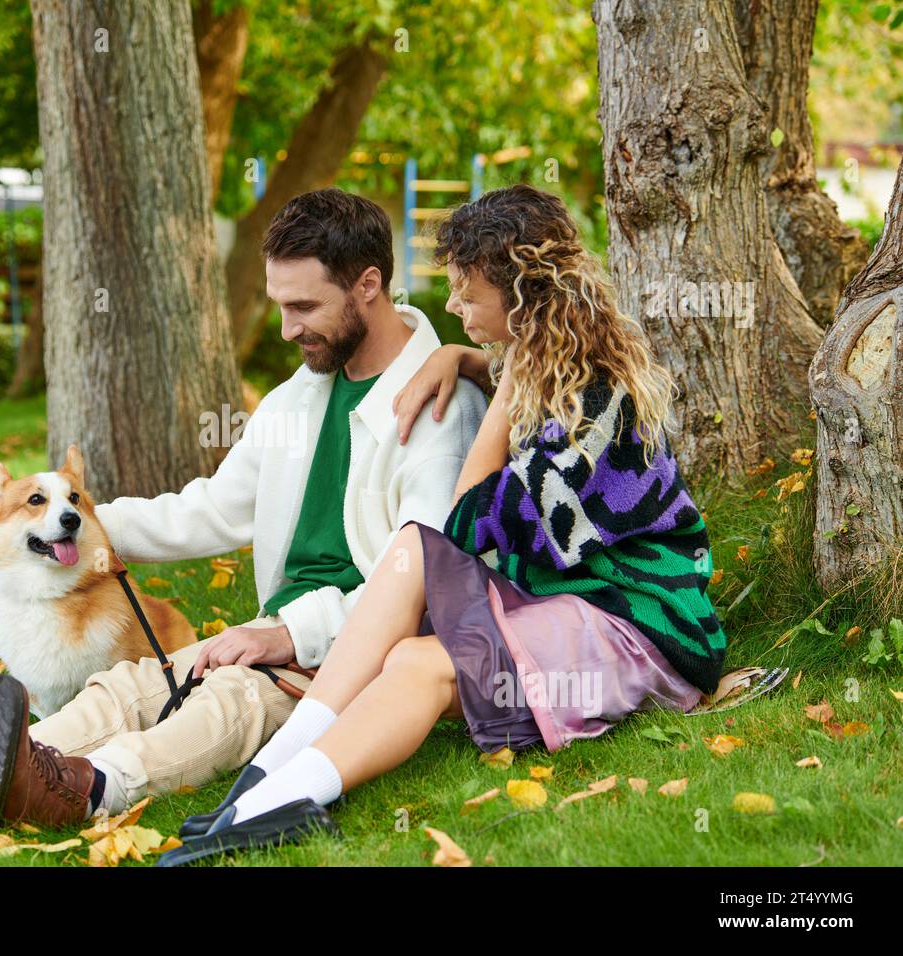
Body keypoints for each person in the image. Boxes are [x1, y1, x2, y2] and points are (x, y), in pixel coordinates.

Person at [0, 188, 488, 828]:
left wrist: (287, 635)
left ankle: (81, 789)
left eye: (303, 307)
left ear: (369, 285)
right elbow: (212, 509)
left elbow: (420, 580)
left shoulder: (440, 412)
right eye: (279, 306)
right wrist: (84, 527)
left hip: (348, 657)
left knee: (226, 703)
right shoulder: (297, 399)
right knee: (129, 685)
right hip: (274, 634)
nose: (284, 330)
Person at [159, 183, 728, 866]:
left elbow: (469, 524)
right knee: (409, 570)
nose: (452, 307)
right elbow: (455, 538)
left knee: (424, 650)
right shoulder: (548, 363)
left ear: (520, 301)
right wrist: (473, 360)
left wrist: (497, 384)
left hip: (637, 626)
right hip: (562, 605)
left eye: (466, 294)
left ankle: (283, 798)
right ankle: (264, 785)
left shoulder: (596, 405)